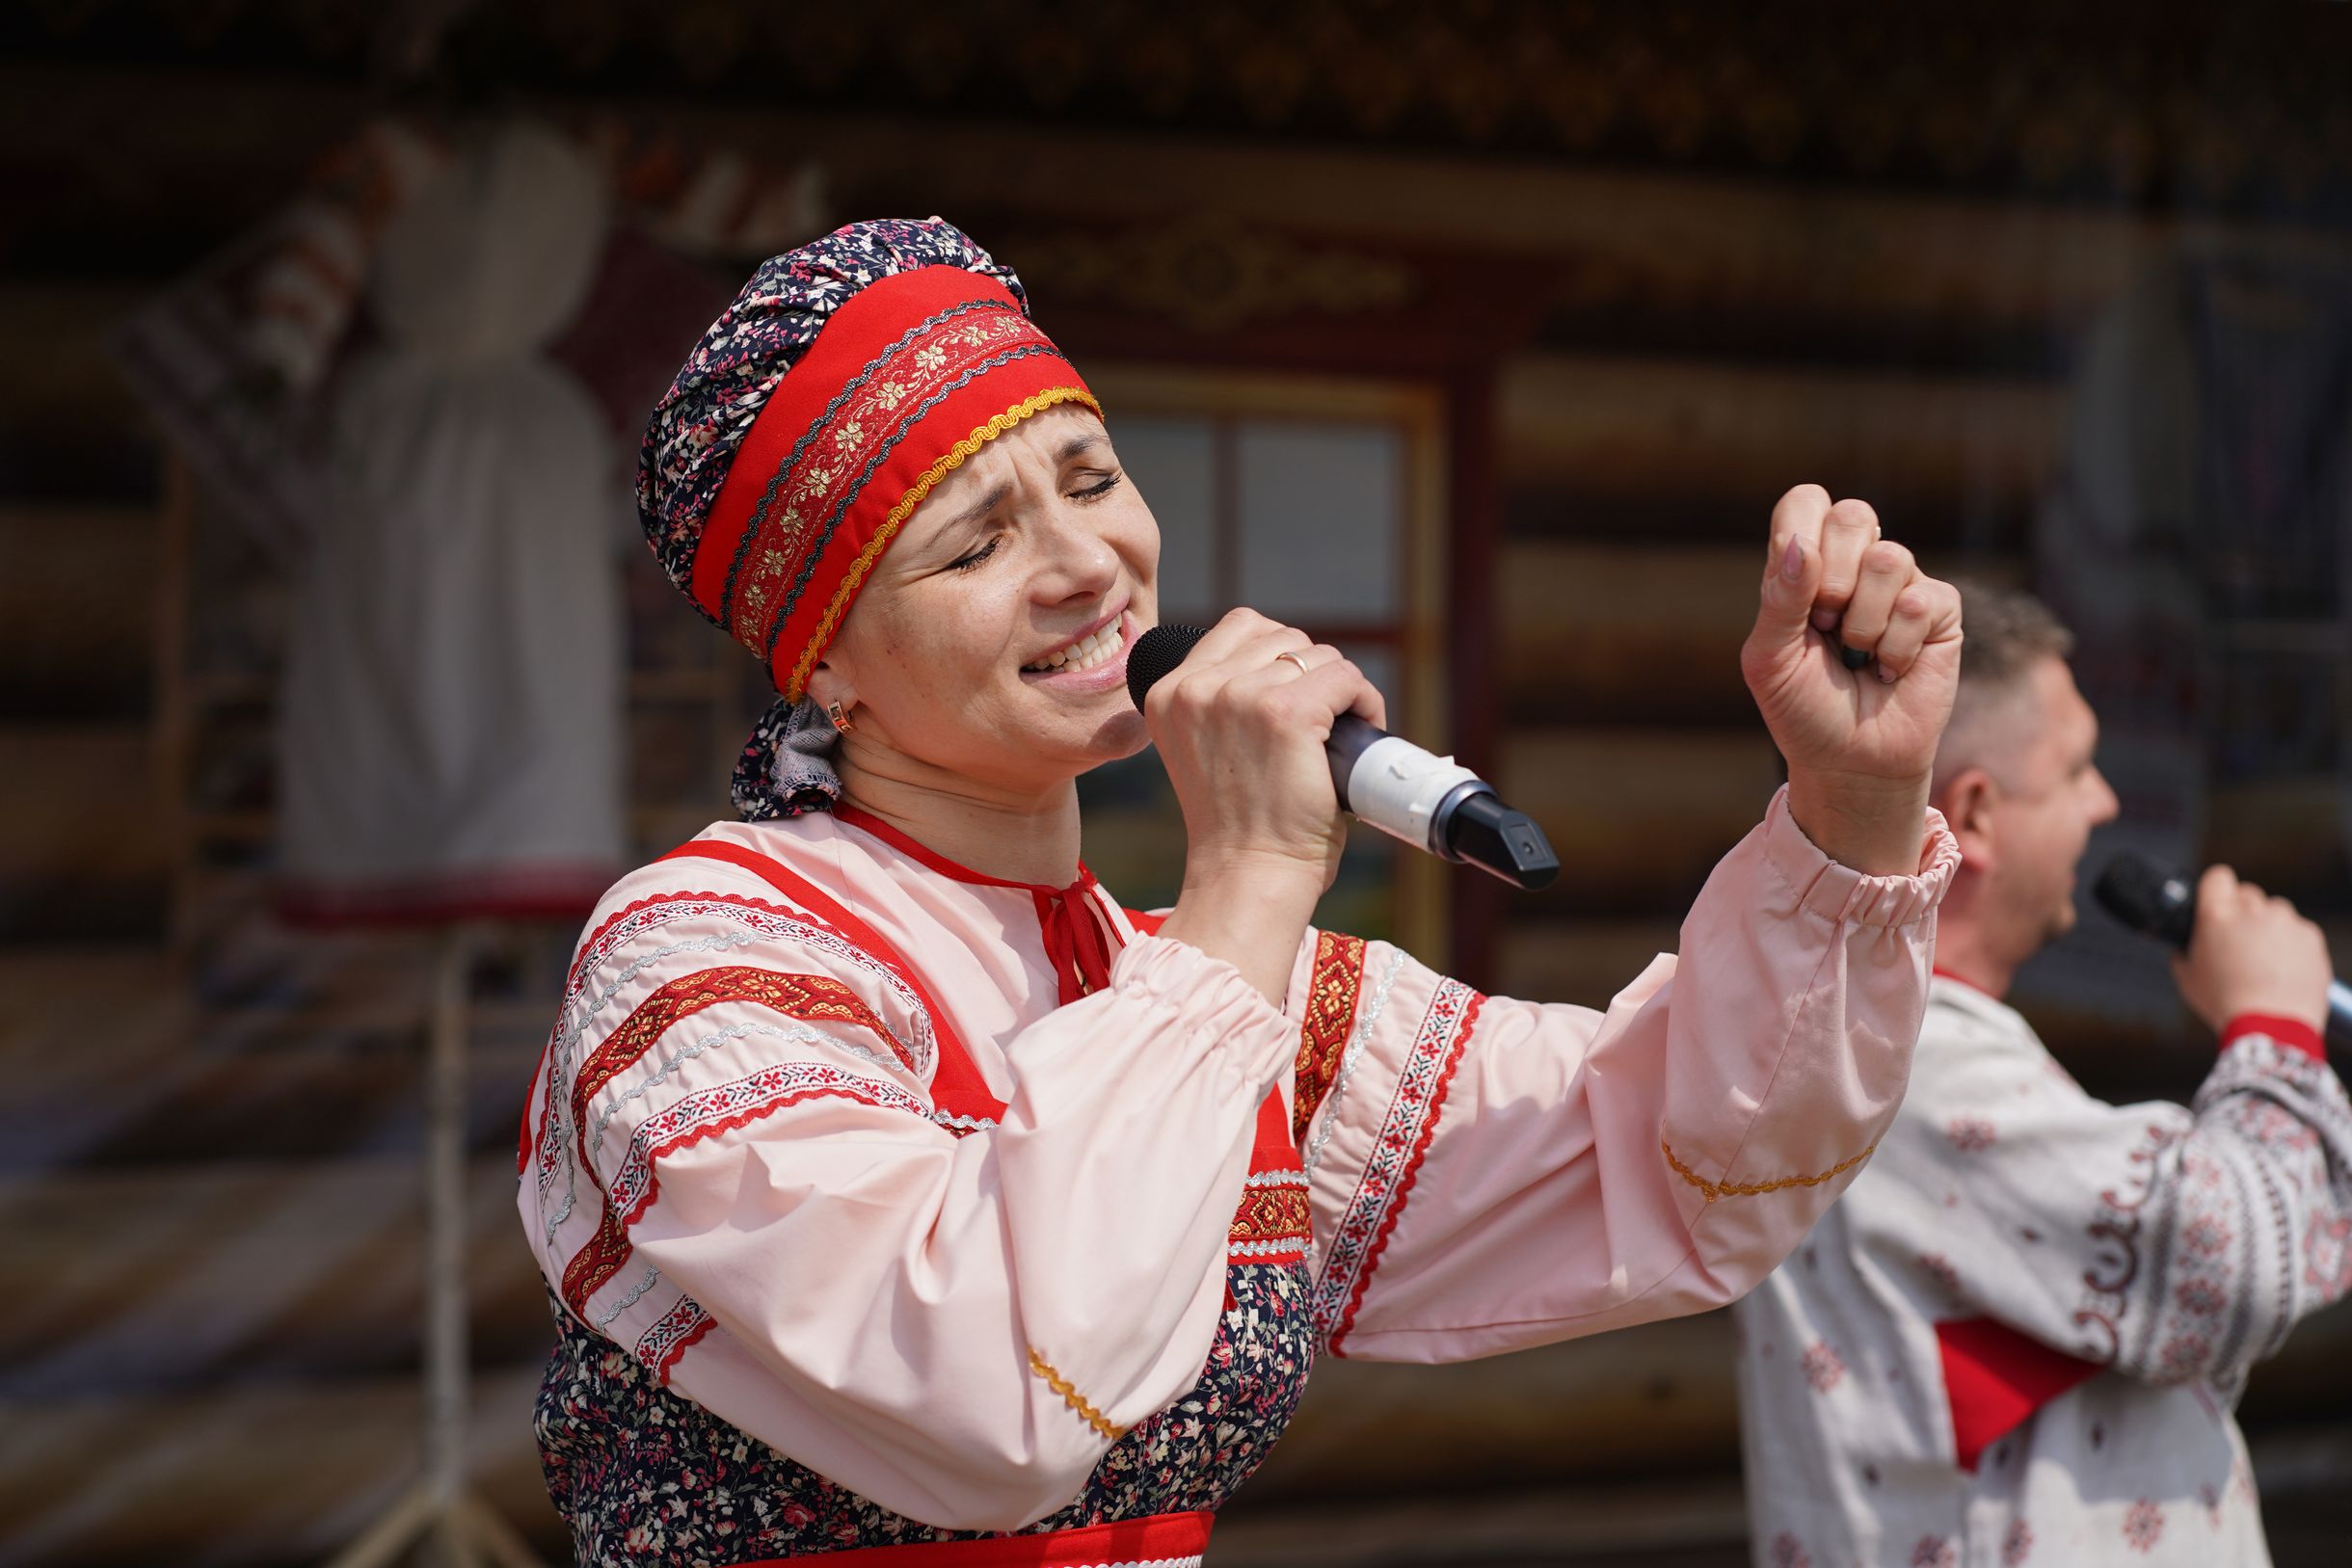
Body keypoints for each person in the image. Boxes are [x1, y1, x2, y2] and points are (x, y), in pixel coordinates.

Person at [516, 217, 1963, 1568]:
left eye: (1092, 481)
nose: (1085, 564)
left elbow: (1676, 1163)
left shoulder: (1200, 981)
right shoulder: (698, 961)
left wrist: (1852, 804)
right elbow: (998, 1395)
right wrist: (1256, 872)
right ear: (821, 657)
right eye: (976, 541)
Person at [1732, 581, 2352, 1568]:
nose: (2104, 801)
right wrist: (2273, 1018)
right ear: (1975, 814)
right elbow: (2231, 1259)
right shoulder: (1902, 1064)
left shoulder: (1868, 1037)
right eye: (2074, 769)